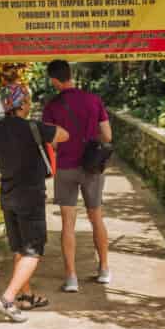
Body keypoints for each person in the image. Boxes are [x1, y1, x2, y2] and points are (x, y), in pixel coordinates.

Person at [0, 84, 68, 322]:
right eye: (28, 100)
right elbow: (64, 135)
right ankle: (8, 299)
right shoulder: (33, 127)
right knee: (33, 251)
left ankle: (26, 296)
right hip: (30, 195)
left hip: (8, 195)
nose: (30, 103)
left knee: (21, 248)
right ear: (22, 104)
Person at [40, 60, 113, 292]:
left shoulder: (51, 106)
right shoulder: (93, 100)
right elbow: (108, 135)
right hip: (92, 167)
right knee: (96, 218)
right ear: (70, 75)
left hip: (66, 167)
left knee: (68, 224)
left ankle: (71, 278)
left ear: (54, 80)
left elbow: (50, 140)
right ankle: (104, 270)